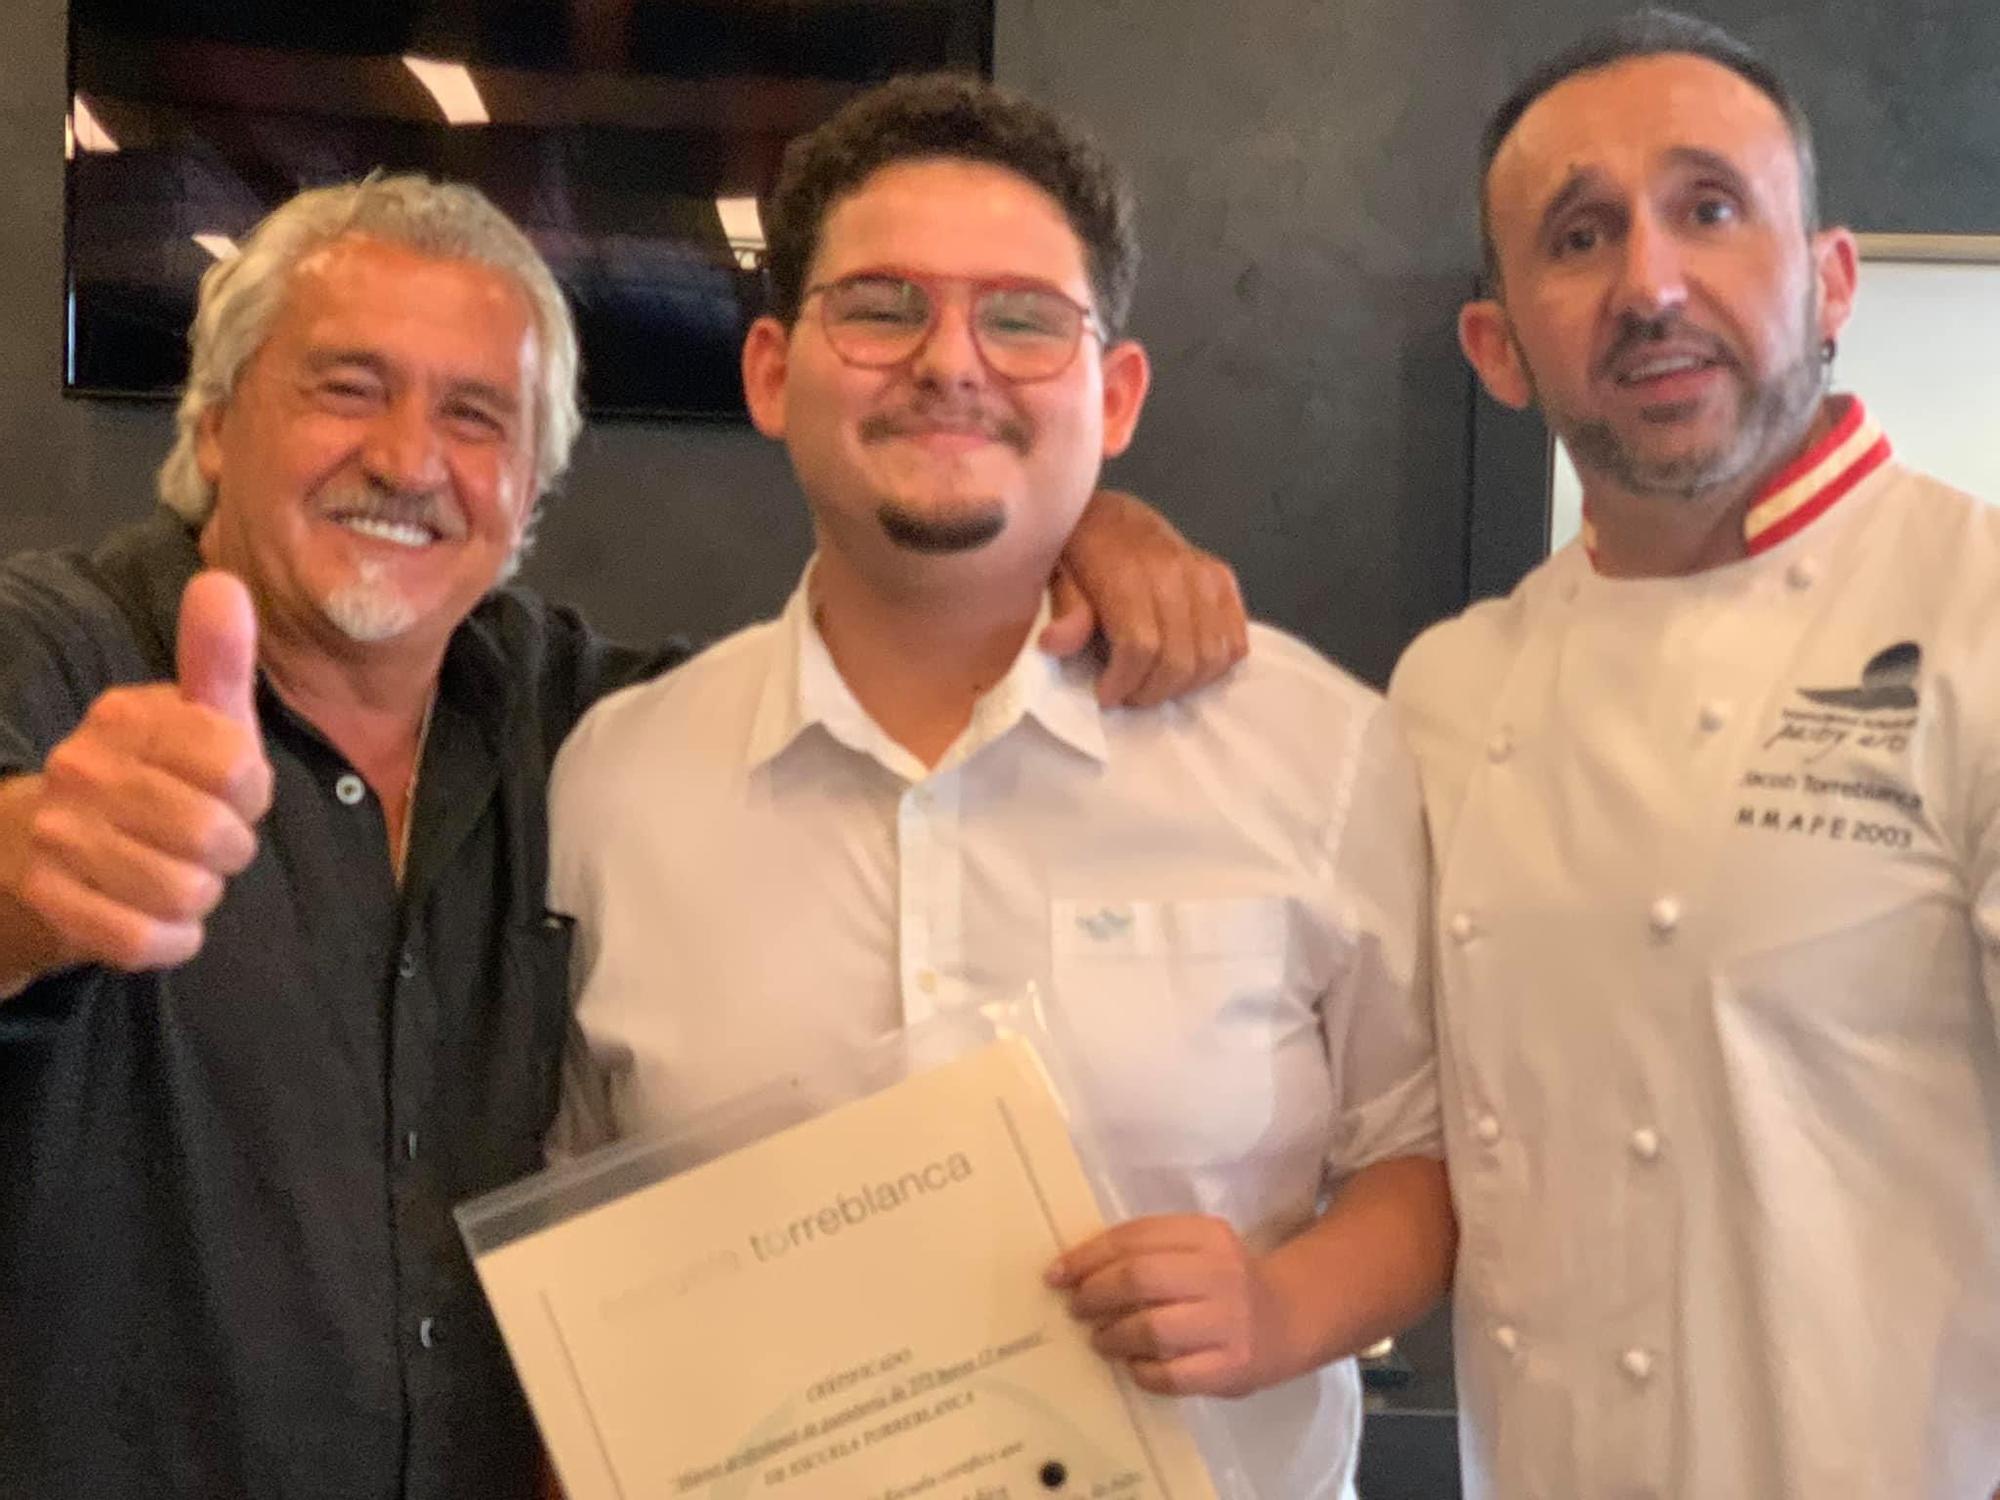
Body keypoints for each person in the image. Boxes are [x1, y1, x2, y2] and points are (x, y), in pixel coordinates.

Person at [0, 175, 1245, 1500]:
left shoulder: (597, 726)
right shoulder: (49, 654)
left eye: (477, 416)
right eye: (347, 388)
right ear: (213, 417)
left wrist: (1077, 529)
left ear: (530, 491)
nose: (410, 459)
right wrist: (22, 892)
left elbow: (874, 673)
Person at [548, 74, 1453, 1500]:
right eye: (882, 305)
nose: (950, 361)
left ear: (1117, 393)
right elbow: (583, 1222)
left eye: (1023, 317)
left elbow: (1427, 1156)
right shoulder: (617, 782)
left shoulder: (1320, 748)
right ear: (774, 371)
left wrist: (1280, 1313)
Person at [1388, 10, 2000, 1496]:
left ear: (1829, 278)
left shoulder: (1976, 612)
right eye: (1580, 236)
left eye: (1710, 209)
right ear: (1500, 345)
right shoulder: (1445, 693)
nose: (1650, 284)